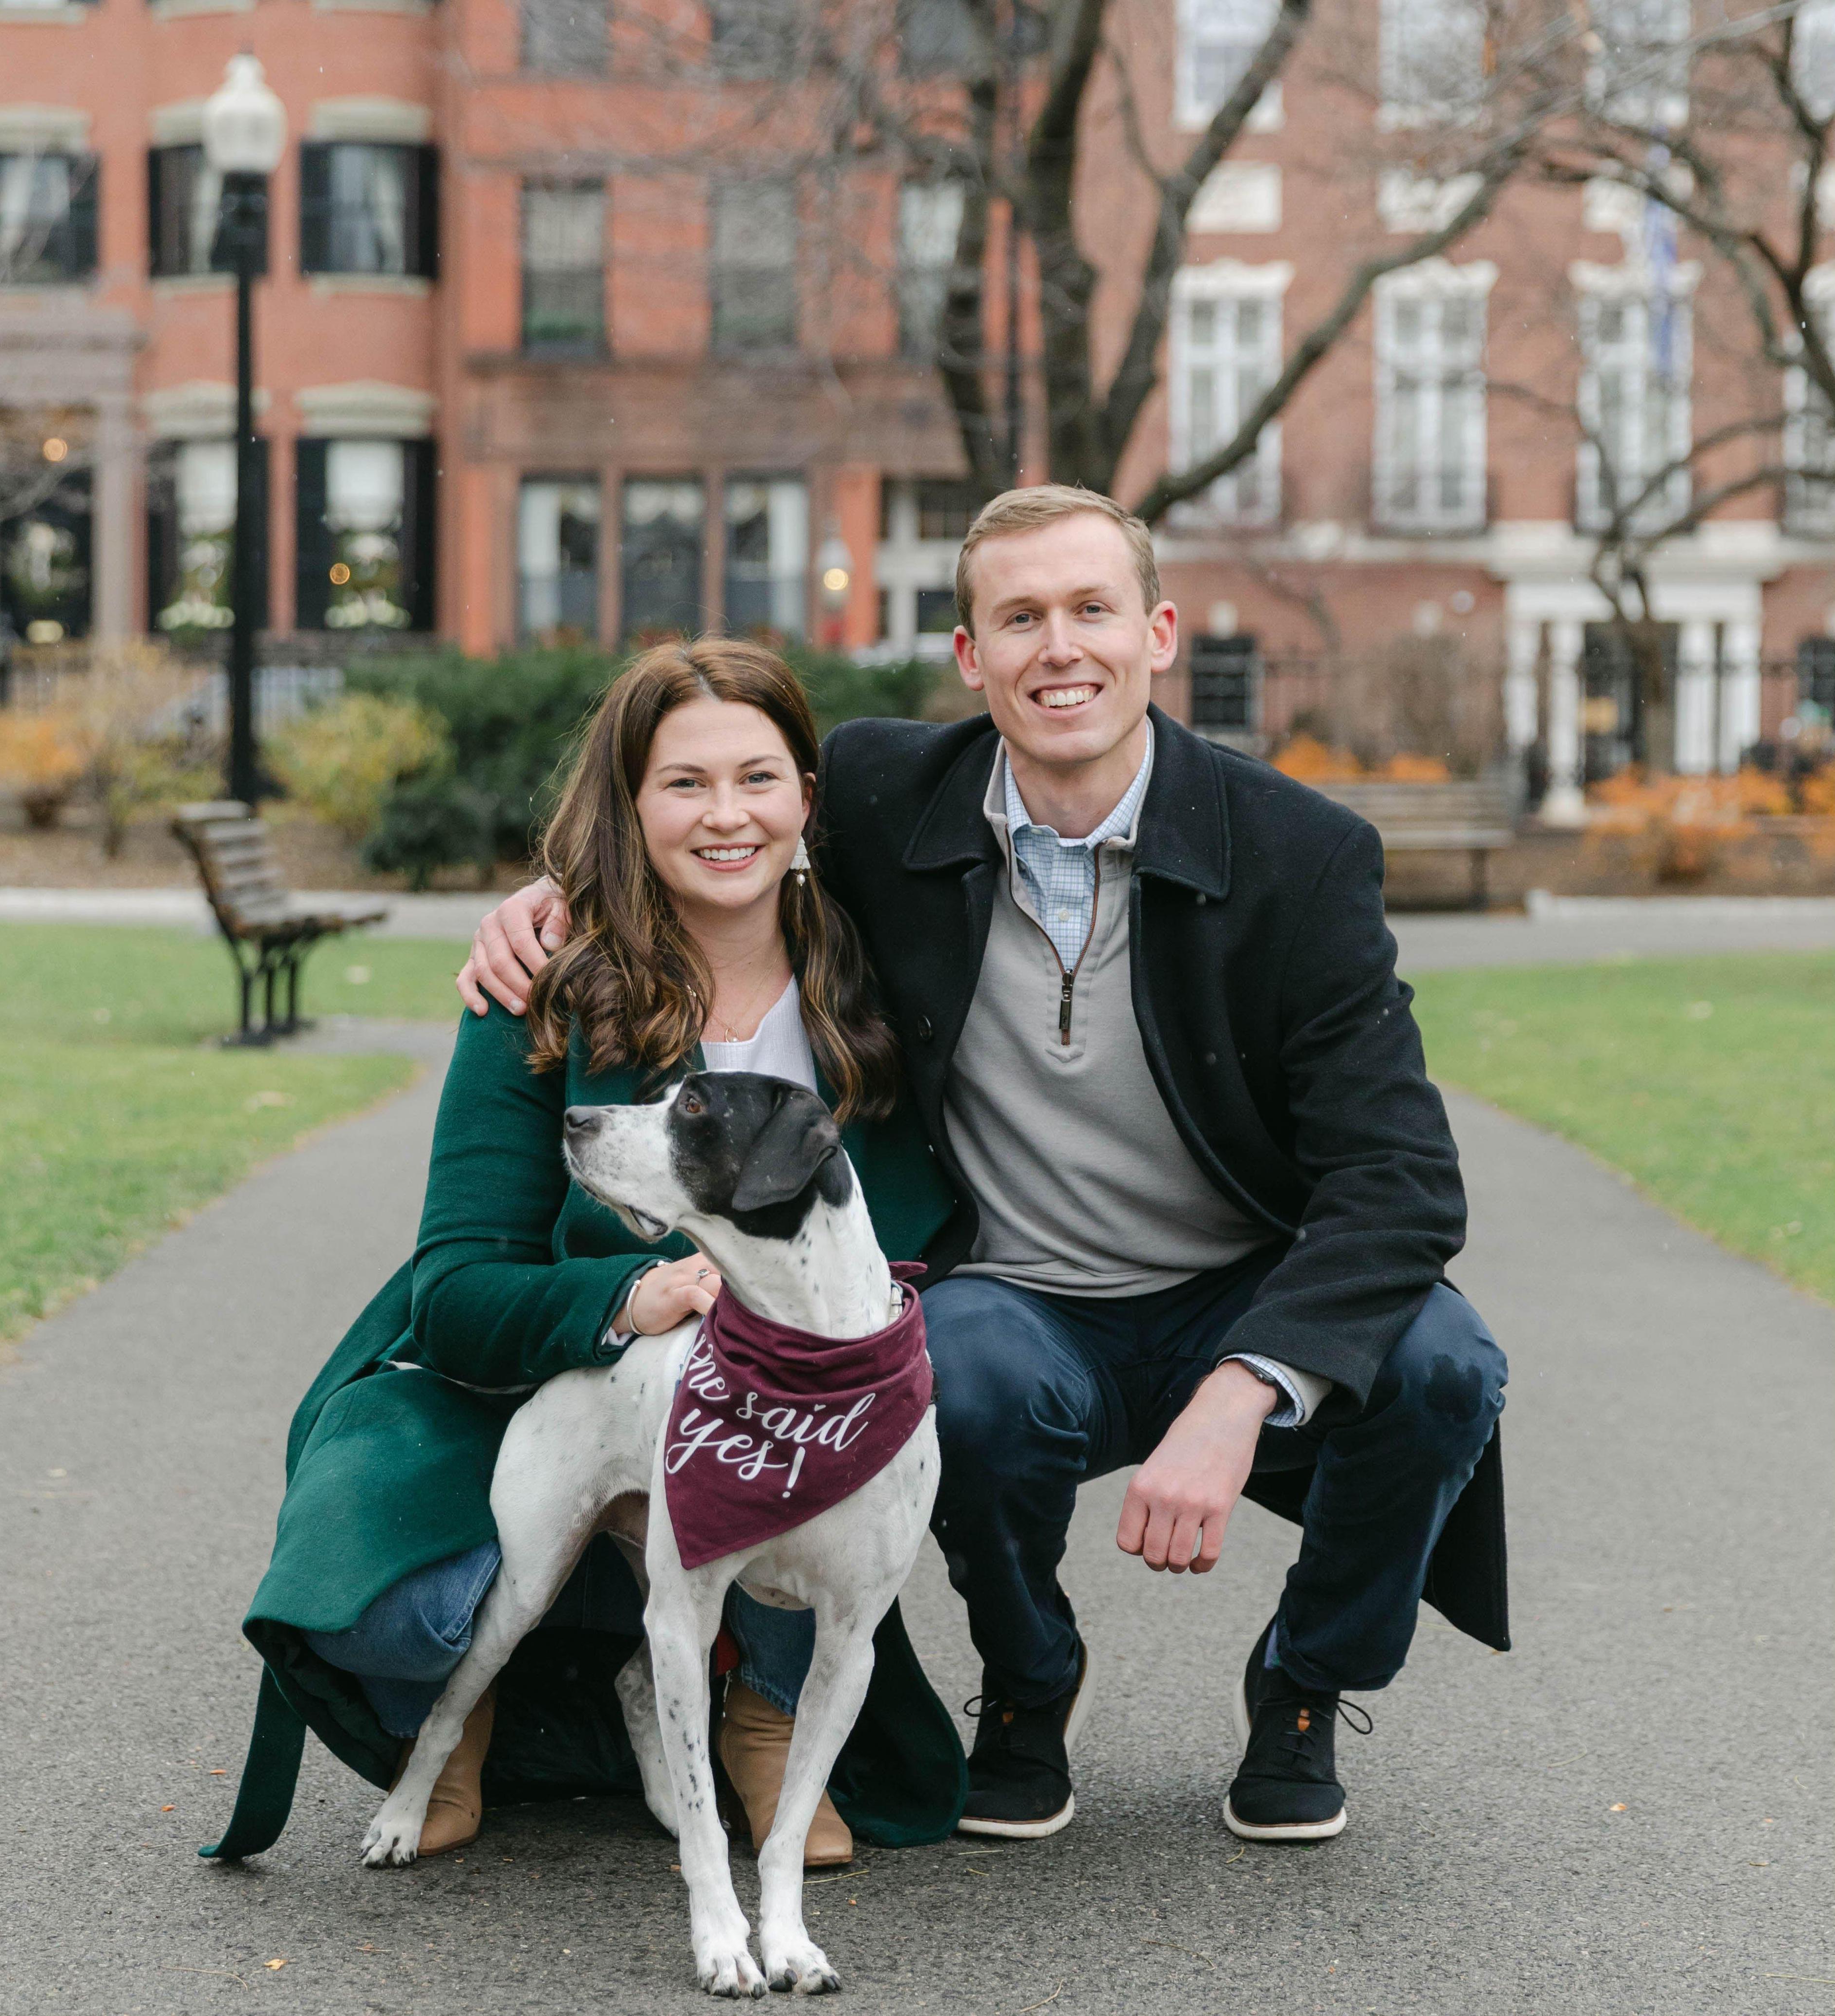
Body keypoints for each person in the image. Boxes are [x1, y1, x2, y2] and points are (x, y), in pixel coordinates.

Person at [463, 485, 1510, 1847]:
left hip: (1234, 1295)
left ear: (1158, 632)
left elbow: (1404, 1181)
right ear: (968, 655)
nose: (1055, 648)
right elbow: (716, 821)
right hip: (1013, 1299)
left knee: (1442, 1365)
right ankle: (1028, 1677)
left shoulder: (1298, 857)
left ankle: (1306, 1680)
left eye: (1089, 609)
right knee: (945, 1362)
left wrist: (1244, 1385)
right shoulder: (891, 796)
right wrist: (558, 891)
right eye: (1017, 617)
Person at [204, 640, 969, 1872]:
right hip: (537, 1382)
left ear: (808, 798)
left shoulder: (883, 977)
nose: (727, 815)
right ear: (626, 804)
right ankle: (452, 1710)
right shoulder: (543, 988)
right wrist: (634, 1291)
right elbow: (454, 1287)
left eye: (758, 778)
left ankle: (762, 1700)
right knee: (382, 1570)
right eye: (681, 783)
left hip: (789, 1410)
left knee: (879, 1392)